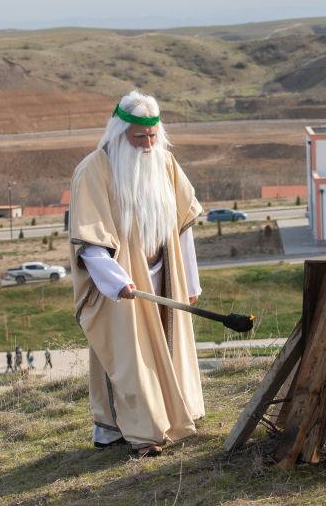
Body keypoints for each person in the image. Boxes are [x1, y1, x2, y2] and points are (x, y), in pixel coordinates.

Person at [69, 91, 204, 458]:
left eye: (153, 135)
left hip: (165, 277)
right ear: (120, 132)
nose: (147, 145)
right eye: (139, 137)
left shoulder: (167, 164)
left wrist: (190, 283)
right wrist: (116, 281)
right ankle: (143, 431)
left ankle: (176, 413)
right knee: (131, 357)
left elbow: (182, 228)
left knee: (168, 346)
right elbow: (89, 238)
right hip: (121, 282)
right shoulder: (94, 170)